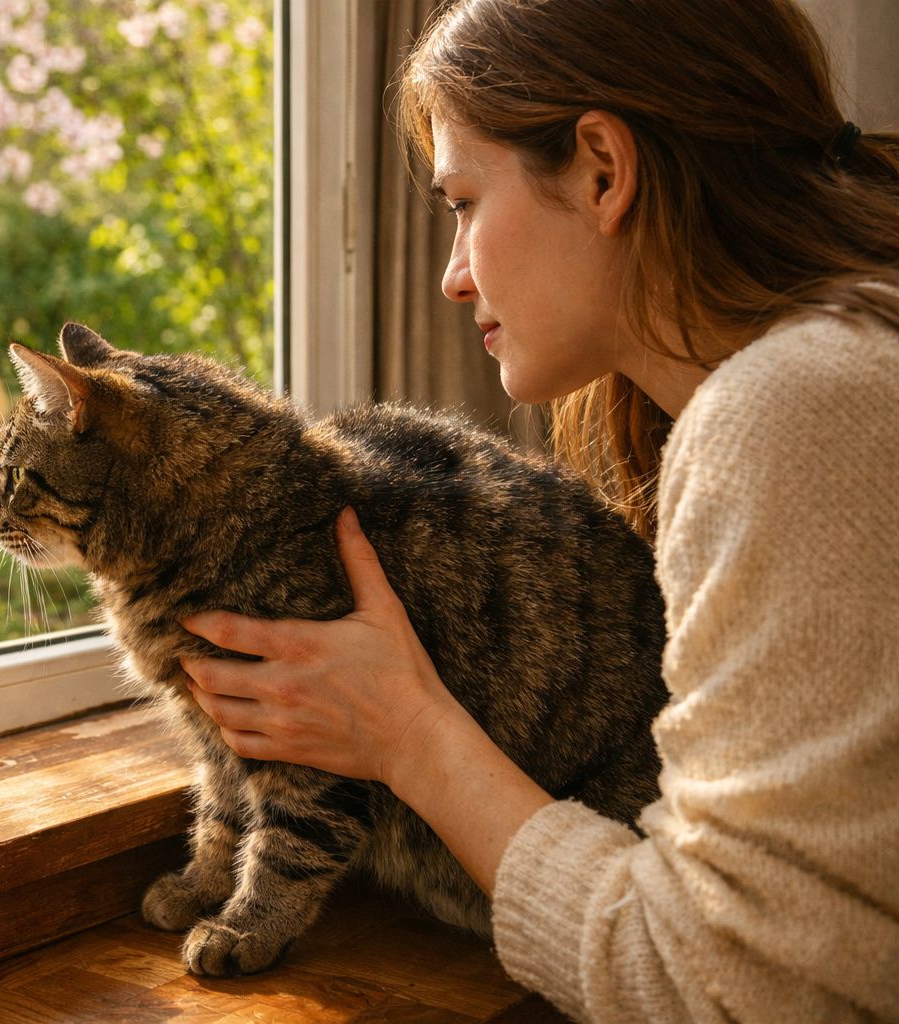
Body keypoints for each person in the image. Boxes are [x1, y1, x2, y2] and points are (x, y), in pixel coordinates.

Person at [178, 1, 899, 1020]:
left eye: (465, 202)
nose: (451, 274)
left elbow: (737, 989)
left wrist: (407, 732)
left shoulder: (797, 409)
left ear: (603, 169)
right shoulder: (839, 360)